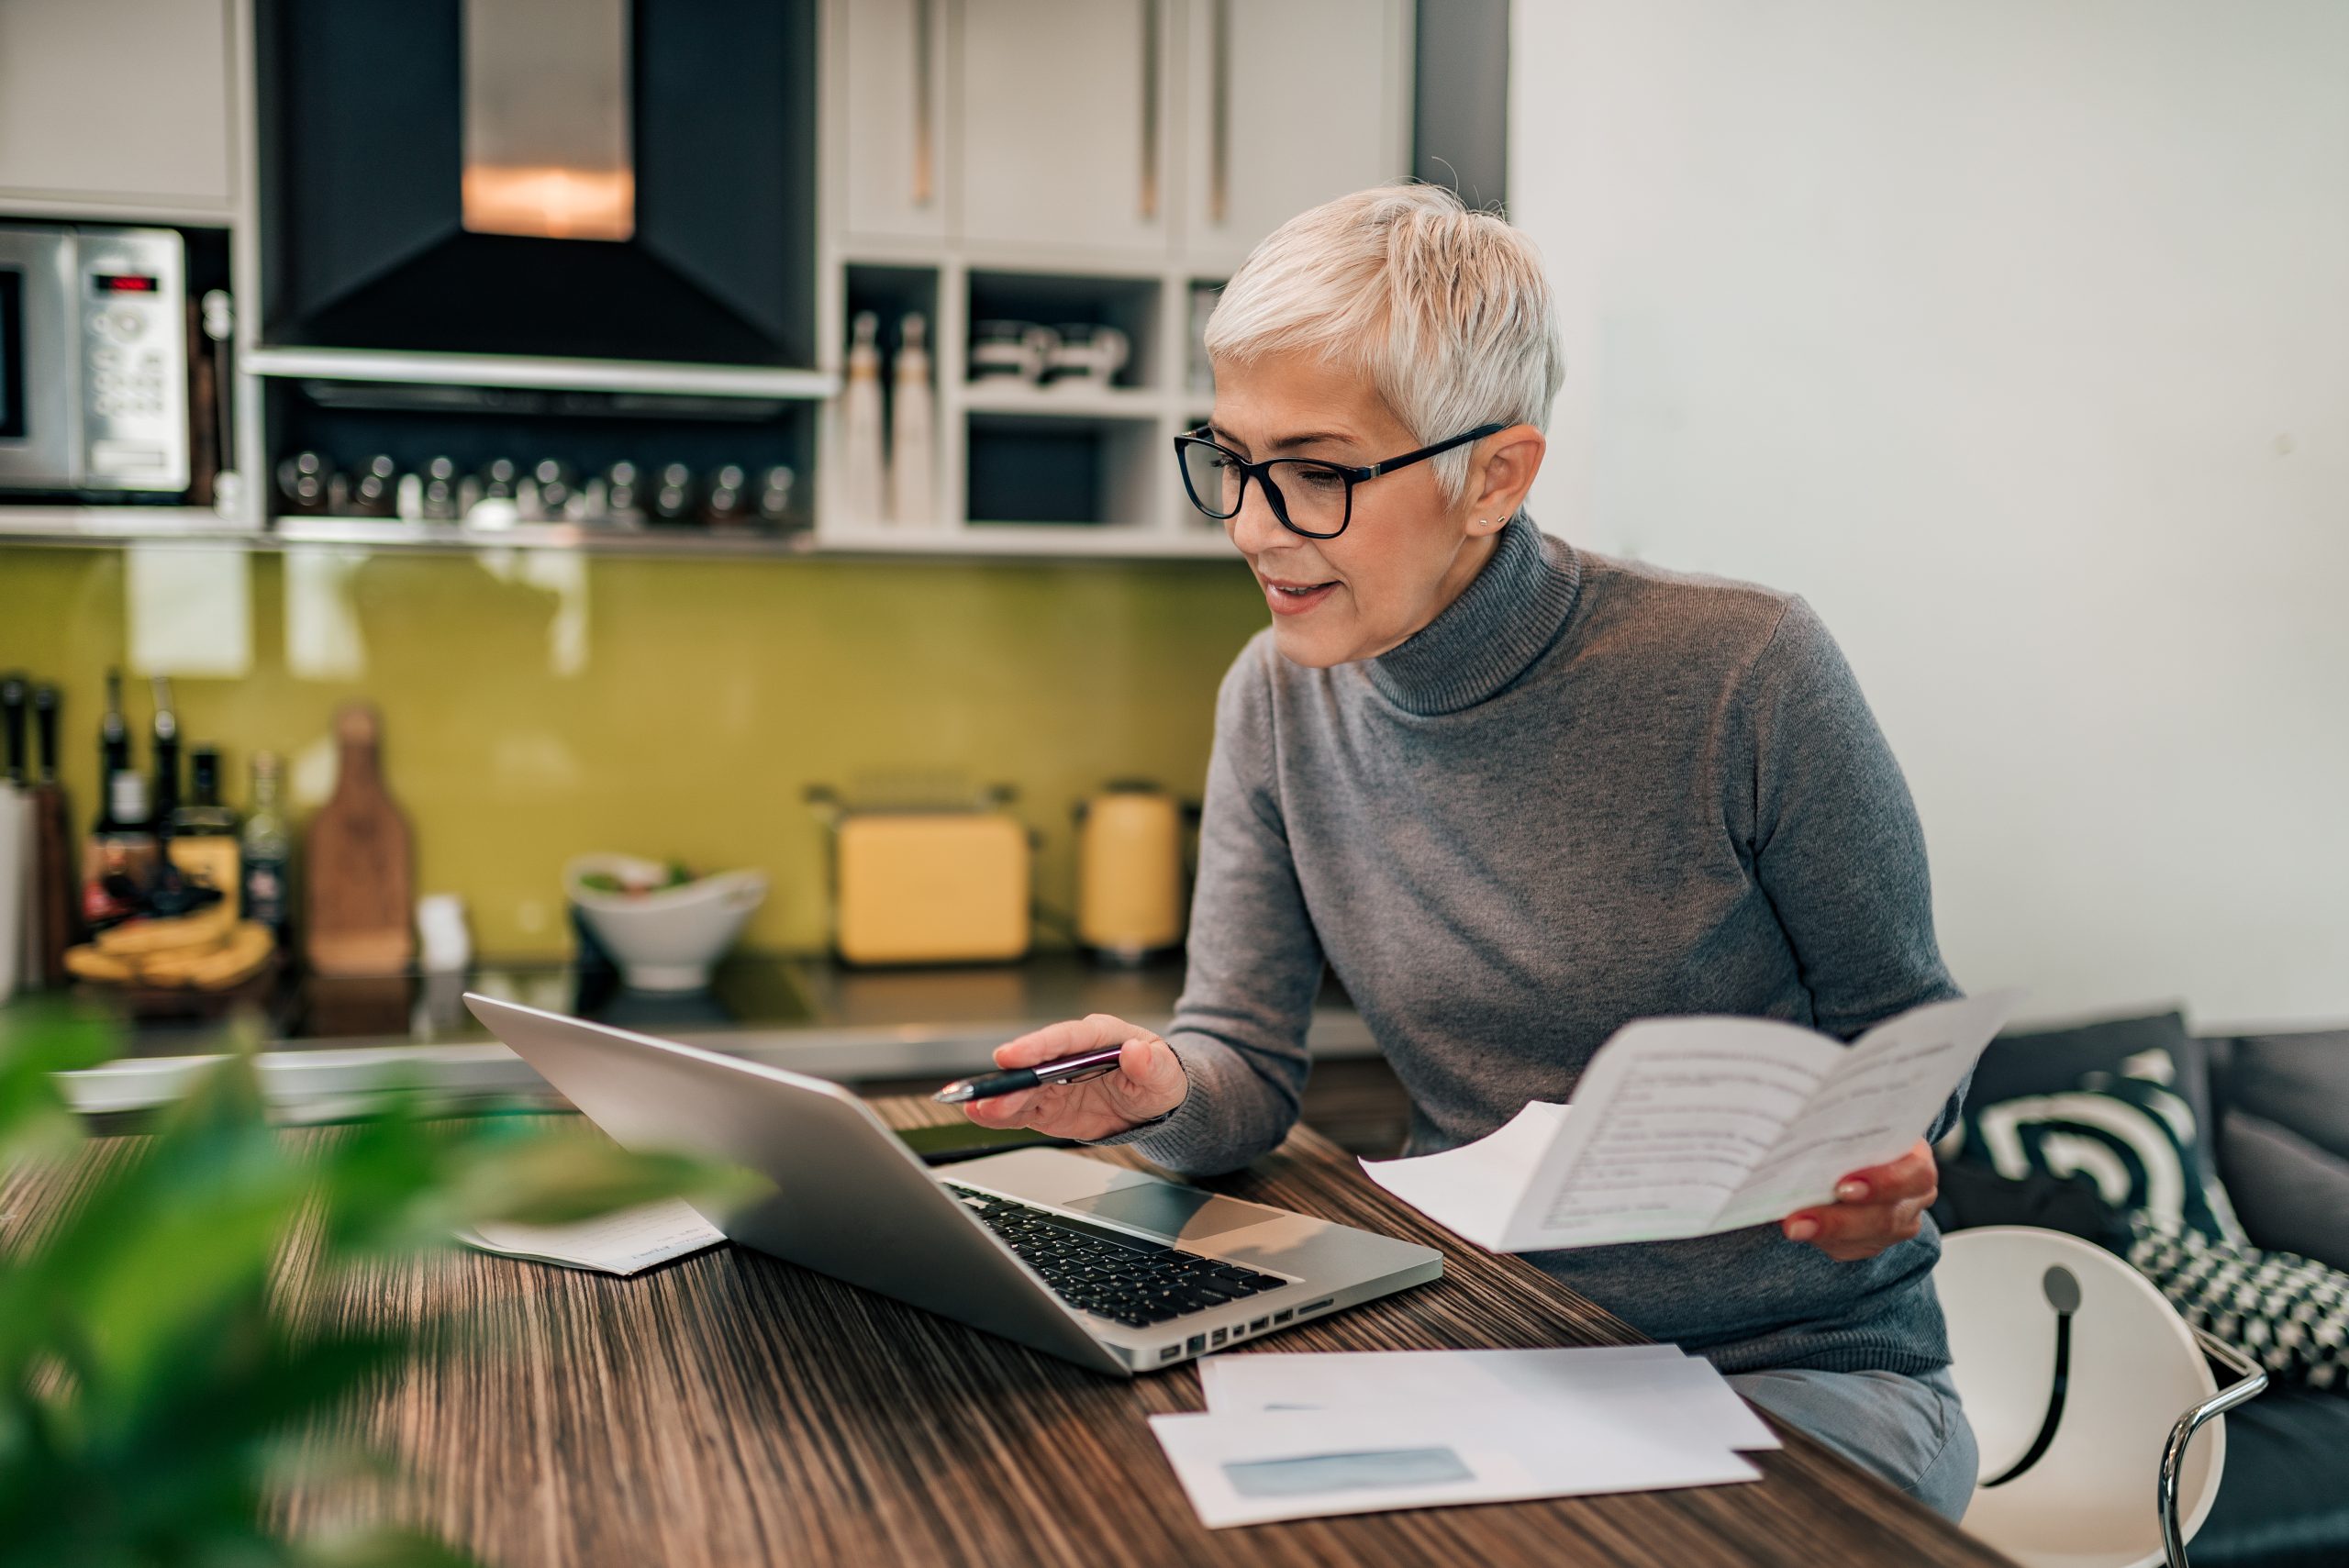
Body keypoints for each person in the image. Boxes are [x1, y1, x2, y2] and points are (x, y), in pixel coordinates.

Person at [963, 184, 1979, 1520]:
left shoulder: (1746, 668)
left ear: (1493, 474)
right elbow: (1245, 1068)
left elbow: (1907, 1038)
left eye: (1316, 472)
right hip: (1496, 1346)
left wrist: (1883, 1163)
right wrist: (1156, 1087)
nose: (1255, 525)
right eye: (1232, 456)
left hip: (1806, 1366)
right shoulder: (1276, 699)